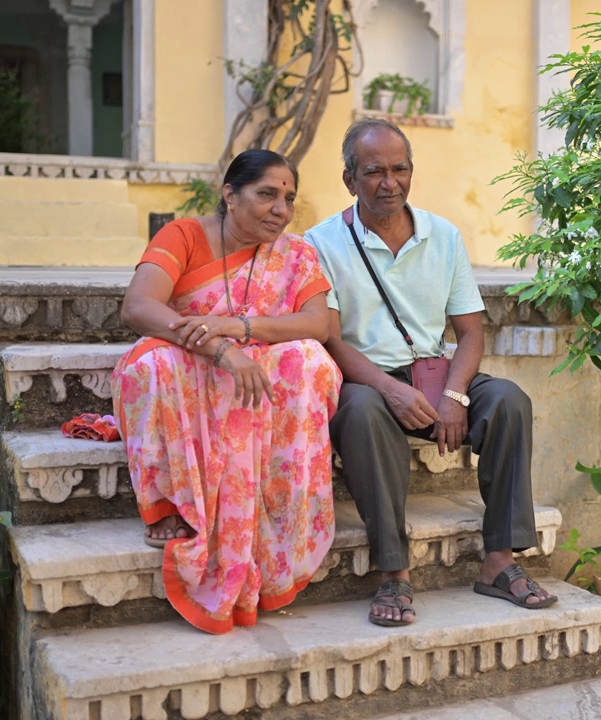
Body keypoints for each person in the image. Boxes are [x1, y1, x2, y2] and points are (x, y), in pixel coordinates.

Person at [304, 118, 556, 627]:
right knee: (361, 411)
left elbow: (470, 333)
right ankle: (394, 572)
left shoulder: (442, 236)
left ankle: (499, 561)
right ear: (350, 179)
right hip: (366, 381)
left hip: (434, 377)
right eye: (374, 171)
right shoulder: (320, 242)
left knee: (508, 400)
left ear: (412, 173)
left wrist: (456, 396)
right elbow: (329, 339)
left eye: (400, 169)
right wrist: (388, 388)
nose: (388, 182)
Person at [112, 149, 341, 635]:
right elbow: (138, 305)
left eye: (289, 197)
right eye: (267, 194)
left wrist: (240, 328)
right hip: (193, 359)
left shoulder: (296, 253)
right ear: (230, 194)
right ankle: (170, 504)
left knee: (308, 360)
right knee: (152, 364)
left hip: (254, 359)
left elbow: (318, 323)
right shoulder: (185, 235)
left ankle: (282, 503)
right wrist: (220, 349)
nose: (281, 208)